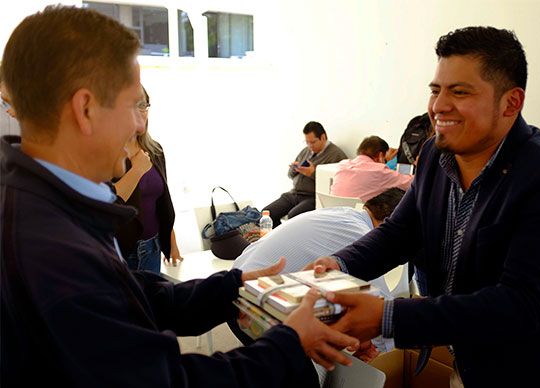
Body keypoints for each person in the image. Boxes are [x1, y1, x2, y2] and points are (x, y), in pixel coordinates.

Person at [0, 6, 359, 387]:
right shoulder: (53, 247)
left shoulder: (47, 203)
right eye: (132, 105)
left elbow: (126, 295)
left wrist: (230, 289)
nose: (140, 124)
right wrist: (288, 344)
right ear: (85, 109)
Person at [307, 26, 540, 387]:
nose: (439, 106)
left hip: (533, 372)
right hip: (467, 363)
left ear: (511, 102)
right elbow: (401, 232)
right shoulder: (433, 154)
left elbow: (521, 305)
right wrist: (340, 263)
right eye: (436, 90)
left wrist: (387, 317)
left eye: (459, 92)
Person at [235, 188, 405, 296]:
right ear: (389, 221)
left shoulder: (342, 213)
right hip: (256, 304)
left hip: (235, 282)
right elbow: (378, 301)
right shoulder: (361, 234)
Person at [112, 86, 182, 273]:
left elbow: (163, 202)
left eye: (143, 105)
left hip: (152, 247)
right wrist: (136, 170)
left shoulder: (154, 150)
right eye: (133, 106)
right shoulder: (108, 154)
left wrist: (171, 243)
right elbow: (107, 200)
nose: (140, 112)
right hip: (121, 251)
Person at [263, 121, 347, 228]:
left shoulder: (336, 154)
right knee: (267, 213)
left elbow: (338, 182)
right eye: (307, 142)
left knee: (293, 216)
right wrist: (294, 169)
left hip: (311, 197)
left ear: (323, 137)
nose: (309, 146)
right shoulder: (305, 151)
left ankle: (288, 241)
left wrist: (313, 173)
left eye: (313, 142)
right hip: (294, 194)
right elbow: (290, 175)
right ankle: (274, 240)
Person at [330, 136, 412, 201]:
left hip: (335, 215)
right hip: (359, 219)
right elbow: (411, 182)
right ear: (380, 155)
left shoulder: (343, 165)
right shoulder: (379, 171)